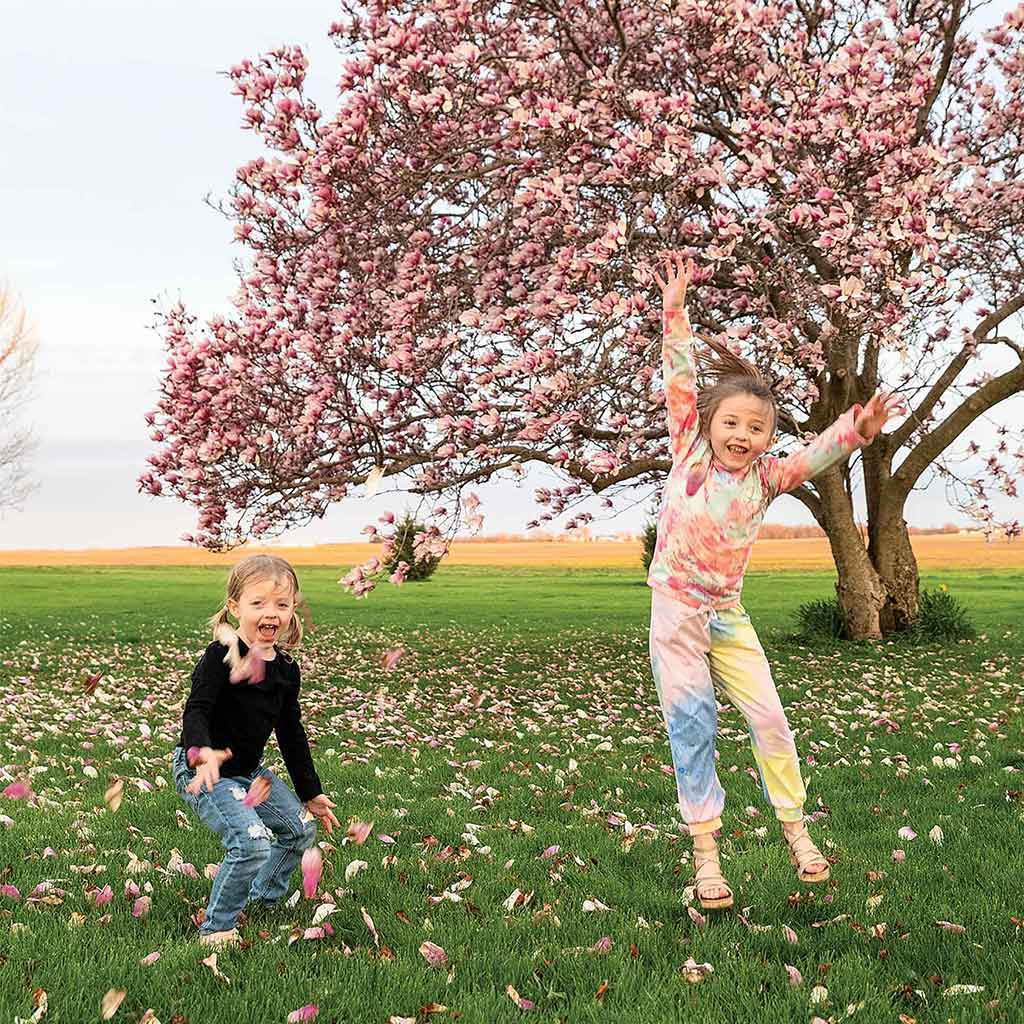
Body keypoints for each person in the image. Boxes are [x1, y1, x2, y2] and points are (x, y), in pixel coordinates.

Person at [648, 255, 904, 910]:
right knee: (695, 725)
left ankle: (795, 831)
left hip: (728, 615)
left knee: (769, 718)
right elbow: (681, 379)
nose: (742, 434)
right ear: (707, 424)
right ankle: (707, 855)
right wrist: (675, 313)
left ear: (767, 438)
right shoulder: (689, 450)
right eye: (730, 422)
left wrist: (856, 429)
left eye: (756, 428)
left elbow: (813, 454)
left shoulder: (767, 477)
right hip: (677, 613)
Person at [171, 554, 340, 946]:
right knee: (250, 843)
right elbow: (197, 709)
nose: (272, 613)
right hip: (204, 772)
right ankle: (217, 929)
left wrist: (310, 791)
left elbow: (291, 733)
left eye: (282, 604)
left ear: (292, 608)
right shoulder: (220, 657)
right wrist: (201, 752)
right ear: (235, 607)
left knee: (299, 830)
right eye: (259, 603)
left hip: (249, 773)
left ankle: (262, 899)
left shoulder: (285, 670)